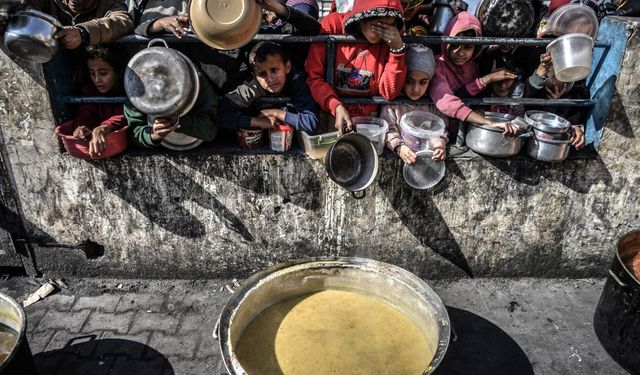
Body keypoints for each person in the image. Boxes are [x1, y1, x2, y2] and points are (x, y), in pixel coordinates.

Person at [306, 0, 408, 131]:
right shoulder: (333, 25)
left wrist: (397, 50)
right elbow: (314, 76)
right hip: (331, 118)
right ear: (362, 17)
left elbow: (389, 93)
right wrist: (334, 105)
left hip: (369, 124)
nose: (381, 32)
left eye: (388, 26)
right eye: (377, 25)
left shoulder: (390, 40)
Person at [428, 11, 520, 139]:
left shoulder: (474, 67)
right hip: (439, 132)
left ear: (475, 48)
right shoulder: (437, 65)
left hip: (468, 132)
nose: (460, 53)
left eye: (468, 47)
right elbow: (448, 102)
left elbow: (479, 97)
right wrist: (490, 123)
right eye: (454, 45)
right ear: (446, 42)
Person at [218, 41, 319, 134]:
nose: (270, 79)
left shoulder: (296, 81)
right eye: (262, 74)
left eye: (274, 70)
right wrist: (258, 122)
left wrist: (275, 113)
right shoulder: (251, 87)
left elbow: (311, 123)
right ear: (254, 76)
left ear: (287, 67)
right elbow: (221, 115)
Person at [380, 44, 448, 163]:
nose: (416, 89)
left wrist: (440, 145)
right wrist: (399, 147)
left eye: (423, 82)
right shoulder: (393, 105)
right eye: (409, 81)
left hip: (426, 157)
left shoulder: (433, 104)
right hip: (404, 156)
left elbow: (441, 128)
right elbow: (388, 130)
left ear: (430, 81)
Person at [58, 45, 128, 158]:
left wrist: (103, 128)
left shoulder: (128, 88)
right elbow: (85, 114)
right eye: (92, 73)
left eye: (103, 73)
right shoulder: (89, 91)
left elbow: (125, 114)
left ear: (118, 72)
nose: (97, 80)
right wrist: (83, 128)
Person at [124, 72, 218, 148]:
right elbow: (134, 132)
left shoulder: (195, 79)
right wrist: (152, 135)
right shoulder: (135, 86)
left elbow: (209, 130)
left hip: (194, 141)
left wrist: (175, 120)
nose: (159, 86)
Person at [525, 52, 586, 149]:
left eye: (566, 80)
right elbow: (533, 86)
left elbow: (573, 125)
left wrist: (576, 129)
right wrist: (544, 66)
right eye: (552, 77)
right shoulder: (534, 93)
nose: (557, 83)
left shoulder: (576, 97)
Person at [27, 0, 133, 49]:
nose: (76, 1)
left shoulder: (109, 3)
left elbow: (123, 21)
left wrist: (84, 32)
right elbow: (22, 9)